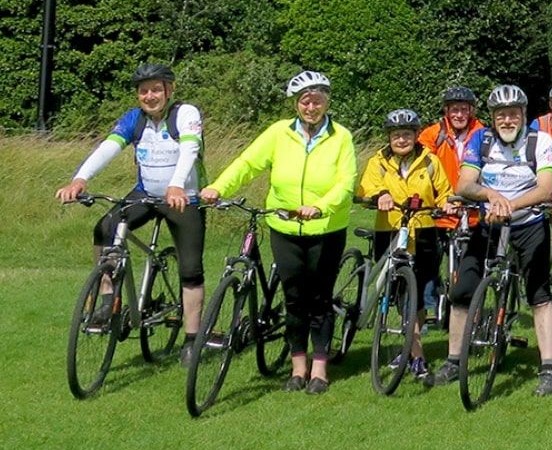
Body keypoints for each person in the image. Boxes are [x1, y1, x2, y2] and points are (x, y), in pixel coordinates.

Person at [199, 70, 357, 395]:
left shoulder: (341, 136)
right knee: (295, 299)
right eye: (305, 101)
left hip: (326, 229)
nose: (311, 107)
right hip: (284, 227)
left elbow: (346, 183)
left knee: (319, 299)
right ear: (296, 104)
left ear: (327, 102)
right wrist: (217, 187)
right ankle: (298, 367)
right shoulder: (278, 133)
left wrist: (322, 206)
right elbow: (247, 164)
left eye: (317, 100)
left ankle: (320, 370)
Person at [55, 63, 208, 365]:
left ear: (169, 90)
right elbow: (107, 148)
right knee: (104, 229)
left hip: (184, 198)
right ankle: (108, 299)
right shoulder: (134, 120)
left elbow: (190, 150)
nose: (149, 96)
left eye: (155, 89)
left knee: (190, 269)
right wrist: (80, 179)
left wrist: (176, 186)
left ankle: (192, 339)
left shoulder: (185, 114)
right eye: (143, 91)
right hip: (146, 194)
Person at [439, 85, 552, 395]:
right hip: (490, 223)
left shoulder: (540, 141)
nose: (507, 120)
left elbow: (546, 189)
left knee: (539, 295)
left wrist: (511, 205)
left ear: (523, 116)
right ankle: (454, 361)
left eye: (513, 114)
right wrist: (491, 195)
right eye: (500, 115)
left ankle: (548, 368)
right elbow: (464, 183)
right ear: (492, 118)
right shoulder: (481, 140)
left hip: (528, 223)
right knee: (462, 291)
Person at [356, 109, 454, 382]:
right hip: (390, 229)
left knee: (422, 292)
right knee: (399, 293)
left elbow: (444, 191)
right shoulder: (379, 161)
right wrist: (381, 194)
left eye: (407, 134)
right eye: (396, 135)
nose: (401, 139)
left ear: (415, 135)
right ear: (389, 138)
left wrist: (446, 203)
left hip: (423, 230)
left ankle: (410, 348)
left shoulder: (430, 161)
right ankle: (417, 354)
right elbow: (366, 187)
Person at [418, 85, 485, 317]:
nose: (459, 115)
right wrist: (438, 198)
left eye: (463, 110)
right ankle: (427, 310)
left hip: (472, 210)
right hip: (440, 207)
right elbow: (422, 171)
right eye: (454, 109)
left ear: (471, 111)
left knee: (471, 263)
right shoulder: (432, 135)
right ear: (446, 111)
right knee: (429, 262)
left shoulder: (483, 133)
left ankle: (468, 310)